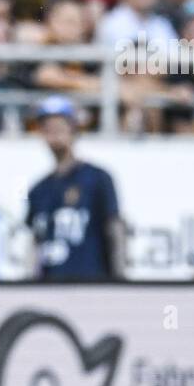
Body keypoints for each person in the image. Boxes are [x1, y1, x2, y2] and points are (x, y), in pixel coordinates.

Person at [26, 96, 124, 281]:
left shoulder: (97, 178)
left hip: (91, 284)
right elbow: (34, 242)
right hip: (50, 285)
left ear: (73, 130)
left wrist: (118, 280)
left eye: (59, 127)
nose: (53, 134)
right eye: (47, 128)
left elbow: (114, 231)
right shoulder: (38, 189)